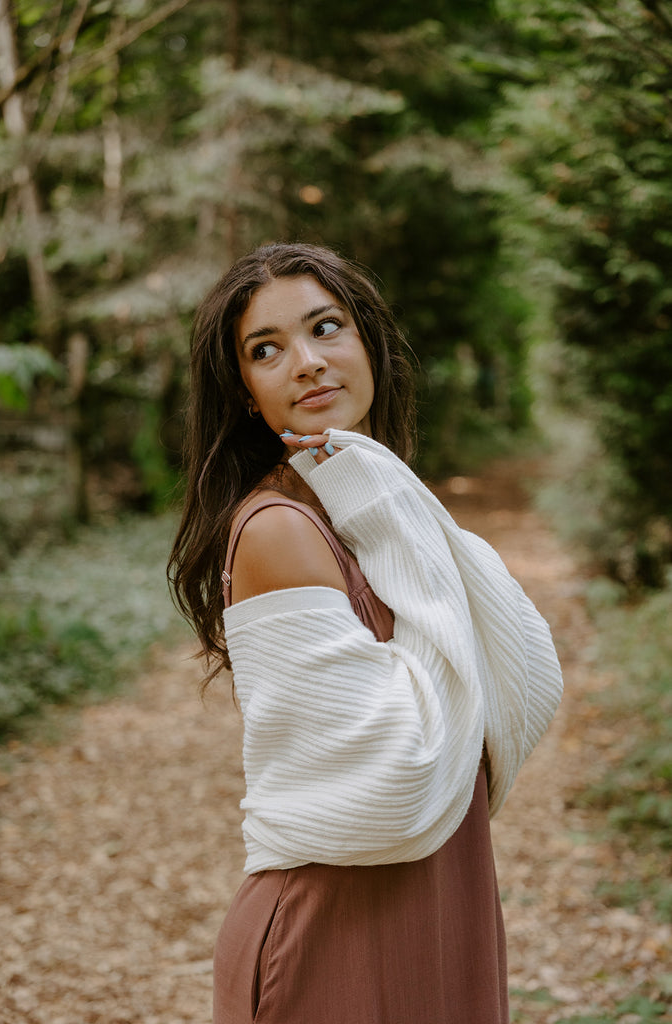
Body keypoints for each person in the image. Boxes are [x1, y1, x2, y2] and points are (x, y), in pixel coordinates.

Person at [168, 242, 563, 1024]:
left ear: (367, 344)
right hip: (337, 930)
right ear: (246, 392)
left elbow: (522, 684)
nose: (307, 362)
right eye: (267, 350)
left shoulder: (373, 508)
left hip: (440, 896)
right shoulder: (282, 528)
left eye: (325, 328)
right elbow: (397, 774)